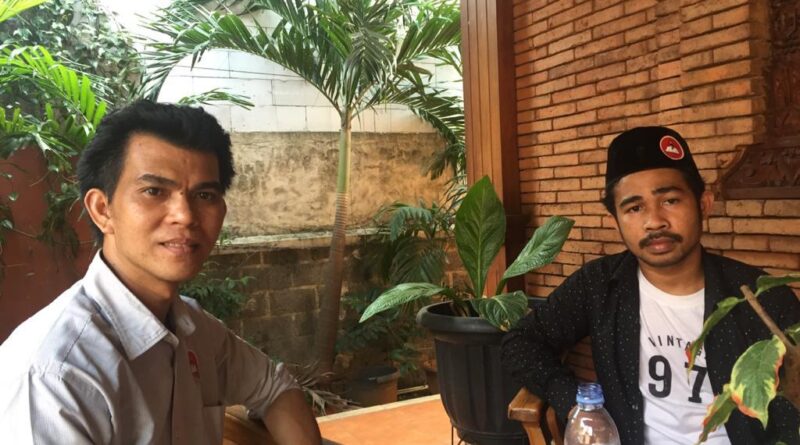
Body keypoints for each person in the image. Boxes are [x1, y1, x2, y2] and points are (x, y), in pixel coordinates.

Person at [0, 100, 322, 444]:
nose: (185, 215)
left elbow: (274, 388)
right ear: (102, 209)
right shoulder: (55, 376)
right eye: (154, 191)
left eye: (204, 194)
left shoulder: (194, 330)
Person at [501, 126, 800, 445]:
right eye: (634, 208)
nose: (655, 221)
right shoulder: (600, 284)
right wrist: (576, 403)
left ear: (703, 204)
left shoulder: (762, 298)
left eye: (670, 200)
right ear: (615, 220)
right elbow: (521, 342)